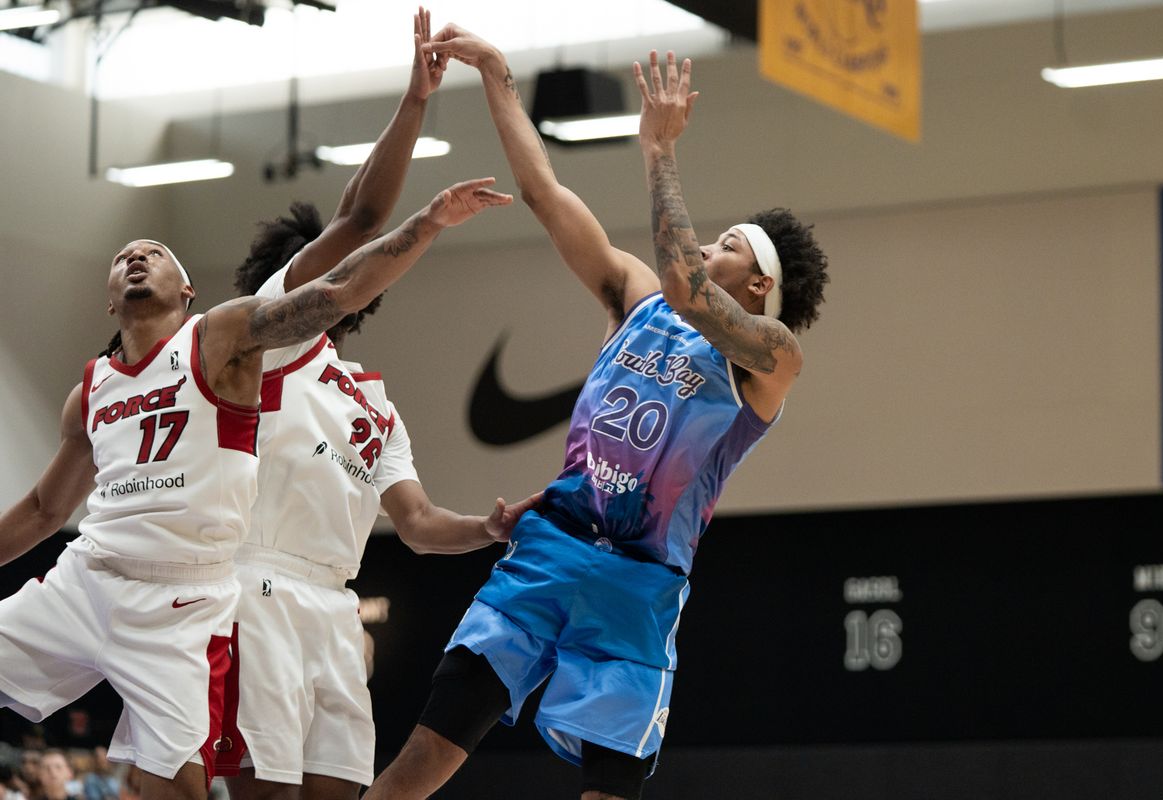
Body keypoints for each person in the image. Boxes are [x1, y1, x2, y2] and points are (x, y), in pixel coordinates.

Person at [364, 29, 829, 800]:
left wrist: (658, 152)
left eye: (732, 245)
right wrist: (497, 73)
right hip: (549, 551)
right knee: (422, 758)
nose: (712, 243)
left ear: (758, 288)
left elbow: (688, 284)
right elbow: (545, 194)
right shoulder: (634, 299)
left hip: (636, 588)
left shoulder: (769, 358)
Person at [0, 171, 512, 800]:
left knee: (187, 791)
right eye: (122, 255)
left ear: (188, 291)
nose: (135, 255)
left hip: (190, 600)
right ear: (107, 300)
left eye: (155, 252)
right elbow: (46, 508)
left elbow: (344, 276)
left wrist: (428, 222)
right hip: (97, 575)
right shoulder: (93, 389)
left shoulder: (225, 339)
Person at [213, 9, 540, 800]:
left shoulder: (372, 404)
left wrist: (488, 528)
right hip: (257, 588)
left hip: (334, 608)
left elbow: (421, 525)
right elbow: (360, 216)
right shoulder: (269, 338)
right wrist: (417, 101)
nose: (347, 258)